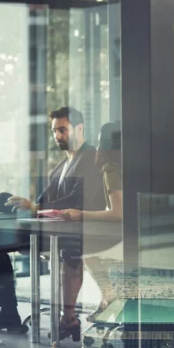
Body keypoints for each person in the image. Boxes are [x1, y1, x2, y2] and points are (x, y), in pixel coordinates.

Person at [0, 106, 107, 336]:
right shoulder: (62, 166)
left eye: (63, 130)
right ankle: (7, 308)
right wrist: (28, 206)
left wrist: (36, 208)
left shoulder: (90, 158)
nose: (58, 136)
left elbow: (78, 199)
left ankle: (6, 306)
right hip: (47, 227)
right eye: (55, 131)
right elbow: (44, 199)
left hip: (68, 233)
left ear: (79, 128)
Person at [59, 121, 122, 325]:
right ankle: (106, 299)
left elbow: (119, 213)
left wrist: (81, 214)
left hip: (126, 238)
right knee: (86, 242)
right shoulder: (131, 168)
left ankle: (108, 294)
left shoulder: (112, 170)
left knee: (83, 245)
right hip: (144, 234)